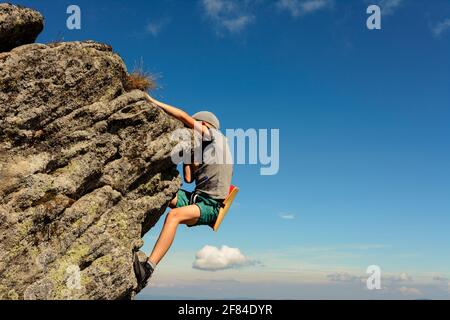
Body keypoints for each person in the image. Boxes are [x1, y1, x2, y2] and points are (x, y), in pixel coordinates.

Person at [134, 94, 233, 289]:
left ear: (203, 124)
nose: (189, 131)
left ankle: (148, 269)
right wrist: (190, 155)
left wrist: (151, 101)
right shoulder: (207, 148)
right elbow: (189, 178)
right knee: (162, 193)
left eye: (193, 127)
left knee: (174, 216)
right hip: (195, 197)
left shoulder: (215, 136)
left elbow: (182, 116)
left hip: (210, 206)